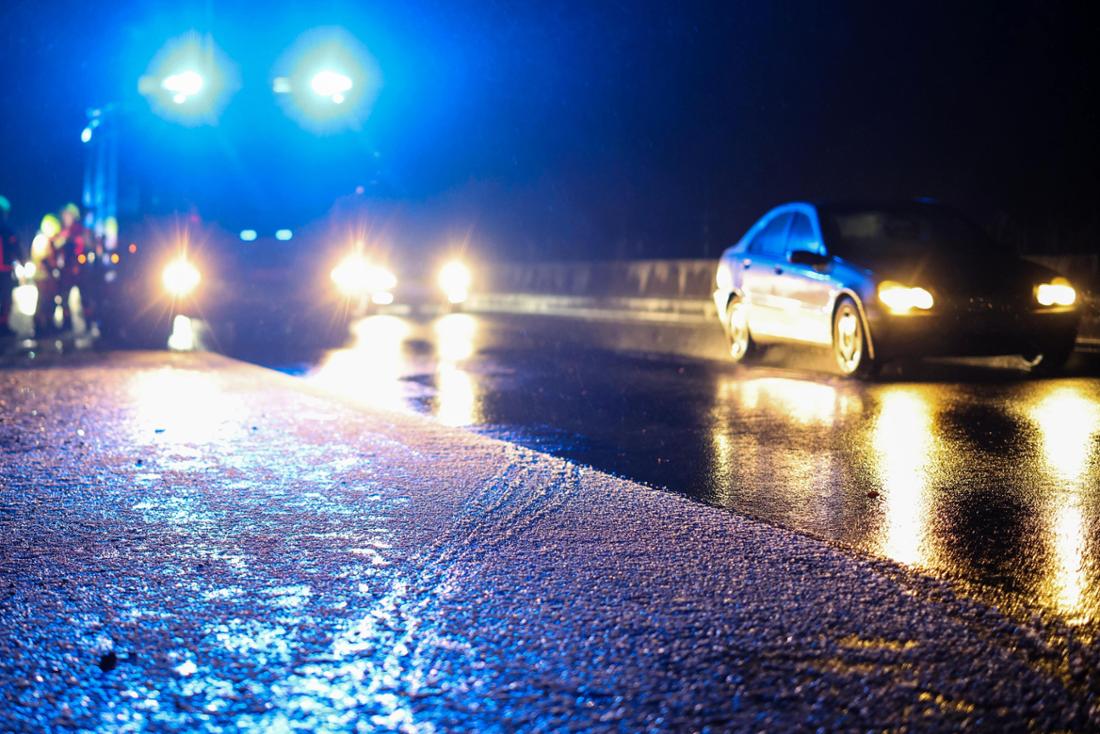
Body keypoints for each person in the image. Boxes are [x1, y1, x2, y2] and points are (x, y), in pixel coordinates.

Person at [0, 195, 20, 335]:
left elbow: (15, 249)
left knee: (6, 300)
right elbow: (16, 249)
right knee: (6, 300)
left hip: (6, 271)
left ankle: (4, 324)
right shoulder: (7, 231)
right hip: (5, 272)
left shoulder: (8, 232)